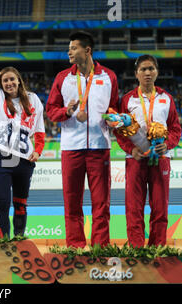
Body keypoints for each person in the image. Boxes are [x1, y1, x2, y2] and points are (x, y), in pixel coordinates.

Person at [46, 31, 119, 248]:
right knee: (72, 203)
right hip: (71, 148)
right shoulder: (62, 78)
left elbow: (114, 107)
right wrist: (67, 113)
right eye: (69, 48)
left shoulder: (109, 77)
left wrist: (113, 118)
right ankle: (75, 247)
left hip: (100, 147)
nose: (69, 51)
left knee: (101, 204)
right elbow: (51, 110)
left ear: (87, 51)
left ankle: (100, 248)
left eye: (74, 48)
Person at [0, 25, 46, 238]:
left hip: (25, 160)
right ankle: (4, 243)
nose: (9, 83)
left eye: (12, 79)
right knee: (2, 204)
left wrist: (38, 151)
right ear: (0, 84)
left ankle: (19, 241)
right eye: (5, 80)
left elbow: (39, 130)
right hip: (1, 158)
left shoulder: (34, 99)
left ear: (19, 80)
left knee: (21, 205)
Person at [114, 55, 181, 247]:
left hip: (161, 158)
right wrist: (130, 148)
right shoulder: (127, 99)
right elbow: (119, 131)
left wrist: (167, 144)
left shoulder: (166, 98)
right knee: (134, 207)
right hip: (135, 159)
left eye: (151, 68)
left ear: (157, 72)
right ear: (136, 74)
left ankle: (157, 247)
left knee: (160, 206)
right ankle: (136, 247)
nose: (147, 73)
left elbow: (175, 128)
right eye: (143, 69)